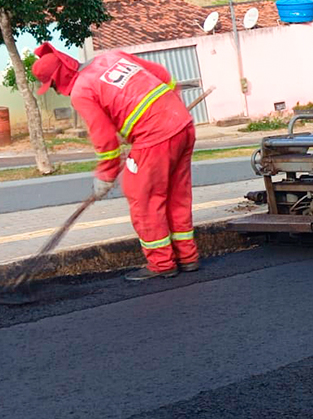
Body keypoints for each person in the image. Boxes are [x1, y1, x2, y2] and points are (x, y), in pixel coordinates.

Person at [31, 43, 199, 280]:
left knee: (144, 197)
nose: (57, 92)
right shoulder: (111, 57)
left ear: (59, 79)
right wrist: (172, 105)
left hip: (155, 137)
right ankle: (187, 257)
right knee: (176, 195)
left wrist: (105, 175)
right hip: (182, 124)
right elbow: (162, 75)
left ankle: (162, 264)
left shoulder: (81, 90)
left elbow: (105, 140)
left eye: (53, 86)